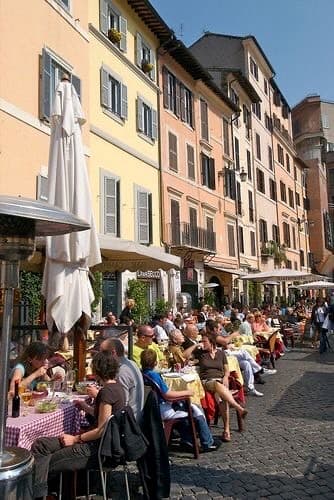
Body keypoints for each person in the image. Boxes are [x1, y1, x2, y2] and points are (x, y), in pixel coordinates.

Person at [31, 351, 125, 499]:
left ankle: (39, 495)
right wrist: (86, 407)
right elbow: (105, 418)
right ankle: (42, 492)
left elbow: (101, 429)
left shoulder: (107, 392)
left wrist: (75, 439)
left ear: (97, 370)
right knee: (41, 445)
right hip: (98, 443)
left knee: (46, 461)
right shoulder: (118, 388)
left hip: (96, 449)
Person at [141, 349, 220, 452]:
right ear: (155, 362)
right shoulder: (155, 376)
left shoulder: (144, 374)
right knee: (196, 410)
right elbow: (167, 395)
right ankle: (207, 442)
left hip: (154, 407)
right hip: (164, 408)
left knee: (184, 407)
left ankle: (187, 439)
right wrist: (187, 392)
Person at [196, 333, 248, 442]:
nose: (202, 343)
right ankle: (238, 408)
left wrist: (225, 376)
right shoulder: (201, 353)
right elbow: (185, 355)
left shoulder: (221, 353)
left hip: (220, 381)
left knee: (222, 398)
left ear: (212, 343)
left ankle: (226, 430)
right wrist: (195, 345)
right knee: (217, 386)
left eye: (204, 341)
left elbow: (227, 369)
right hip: (207, 381)